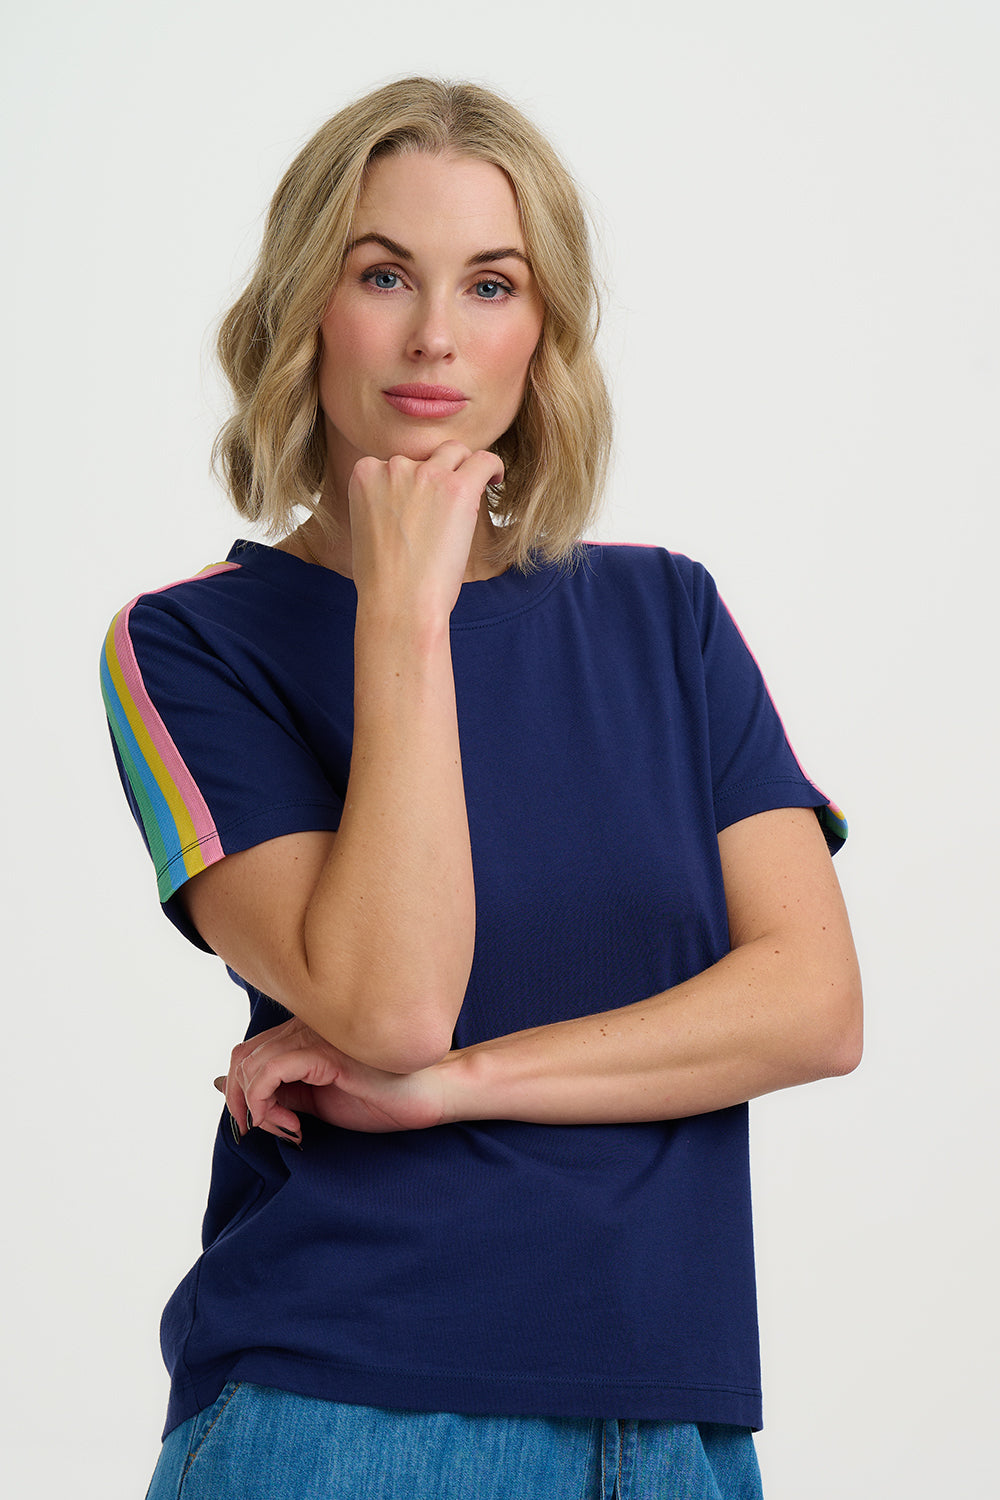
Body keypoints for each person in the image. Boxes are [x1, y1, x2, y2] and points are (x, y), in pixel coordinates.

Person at [101, 77, 861, 1500]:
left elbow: (813, 1008)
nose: (436, 334)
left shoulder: (667, 619)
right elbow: (389, 1000)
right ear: (304, 312)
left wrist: (452, 1089)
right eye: (383, 273)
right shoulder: (190, 644)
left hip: (677, 1423)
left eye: (492, 284)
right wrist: (403, 614)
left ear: (543, 334)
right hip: (344, 1415)